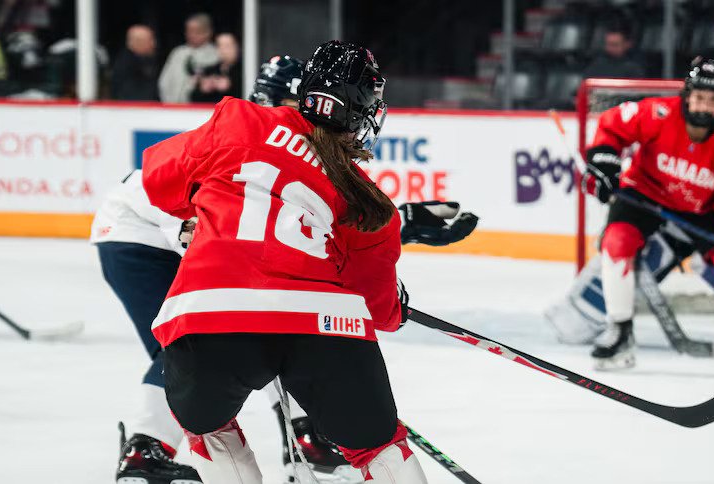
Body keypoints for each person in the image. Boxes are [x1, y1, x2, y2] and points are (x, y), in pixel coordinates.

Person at [140, 40, 476, 483]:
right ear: (365, 111)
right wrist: (397, 303)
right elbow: (379, 309)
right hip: (322, 322)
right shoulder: (368, 198)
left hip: (210, 310)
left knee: (212, 432)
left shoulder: (239, 121)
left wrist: (205, 211)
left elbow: (157, 179)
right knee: (379, 447)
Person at [580, 56, 714, 369]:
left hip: (700, 207)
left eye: (712, 100)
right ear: (687, 95)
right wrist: (604, 159)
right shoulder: (659, 113)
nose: (703, 106)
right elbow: (612, 124)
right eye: (699, 97)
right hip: (645, 193)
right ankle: (619, 329)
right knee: (616, 244)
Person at [158, 13, 218, 103]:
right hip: (171, 108)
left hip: (199, 109)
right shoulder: (178, 52)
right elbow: (164, 81)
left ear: (208, 32)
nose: (192, 35)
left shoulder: (216, 54)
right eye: (189, 31)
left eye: (197, 31)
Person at [111, 25, 159, 101]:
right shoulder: (126, 64)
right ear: (137, 42)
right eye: (150, 40)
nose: (154, 44)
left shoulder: (145, 60)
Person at [190, 32, 241, 103]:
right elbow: (193, 98)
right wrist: (203, 89)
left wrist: (231, 86)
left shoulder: (246, 70)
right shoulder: (210, 71)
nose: (223, 50)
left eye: (227, 46)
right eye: (220, 46)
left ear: (237, 47)